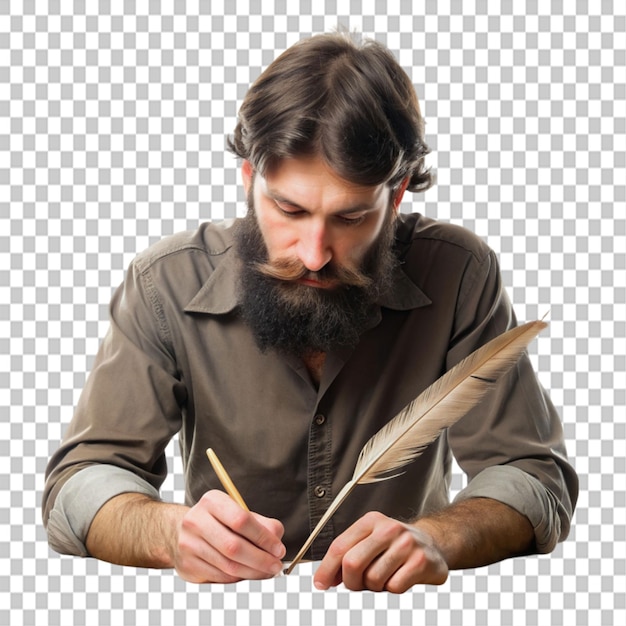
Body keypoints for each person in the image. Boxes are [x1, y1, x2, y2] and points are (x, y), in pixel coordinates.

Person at [43, 32, 578, 593]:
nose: (315, 253)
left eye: (350, 218)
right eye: (289, 209)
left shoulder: (459, 273)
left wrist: (440, 537)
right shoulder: (166, 283)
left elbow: (533, 476)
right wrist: (168, 532)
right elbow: (78, 485)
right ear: (251, 182)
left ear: (394, 200)